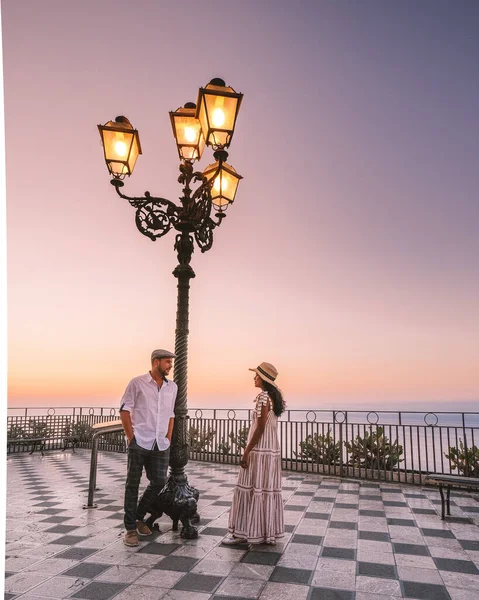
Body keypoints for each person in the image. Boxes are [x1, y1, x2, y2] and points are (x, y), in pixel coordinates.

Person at [223, 361, 286, 545]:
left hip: (259, 451)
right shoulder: (274, 398)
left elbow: (259, 429)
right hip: (271, 451)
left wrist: (246, 452)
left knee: (248, 487)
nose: (254, 378)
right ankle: (266, 534)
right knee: (265, 489)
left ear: (263, 379)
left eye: (257, 375)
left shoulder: (262, 398)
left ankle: (242, 534)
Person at [120, 349, 177, 547]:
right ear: (156, 362)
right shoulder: (137, 383)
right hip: (140, 441)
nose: (170, 365)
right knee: (132, 484)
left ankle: (138, 517)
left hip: (160, 443)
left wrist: (168, 437)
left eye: (171, 362)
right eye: (167, 362)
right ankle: (130, 530)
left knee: (160, 481)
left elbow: (171, 414)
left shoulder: (173, 387)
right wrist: (131, 438)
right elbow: (125, 410)